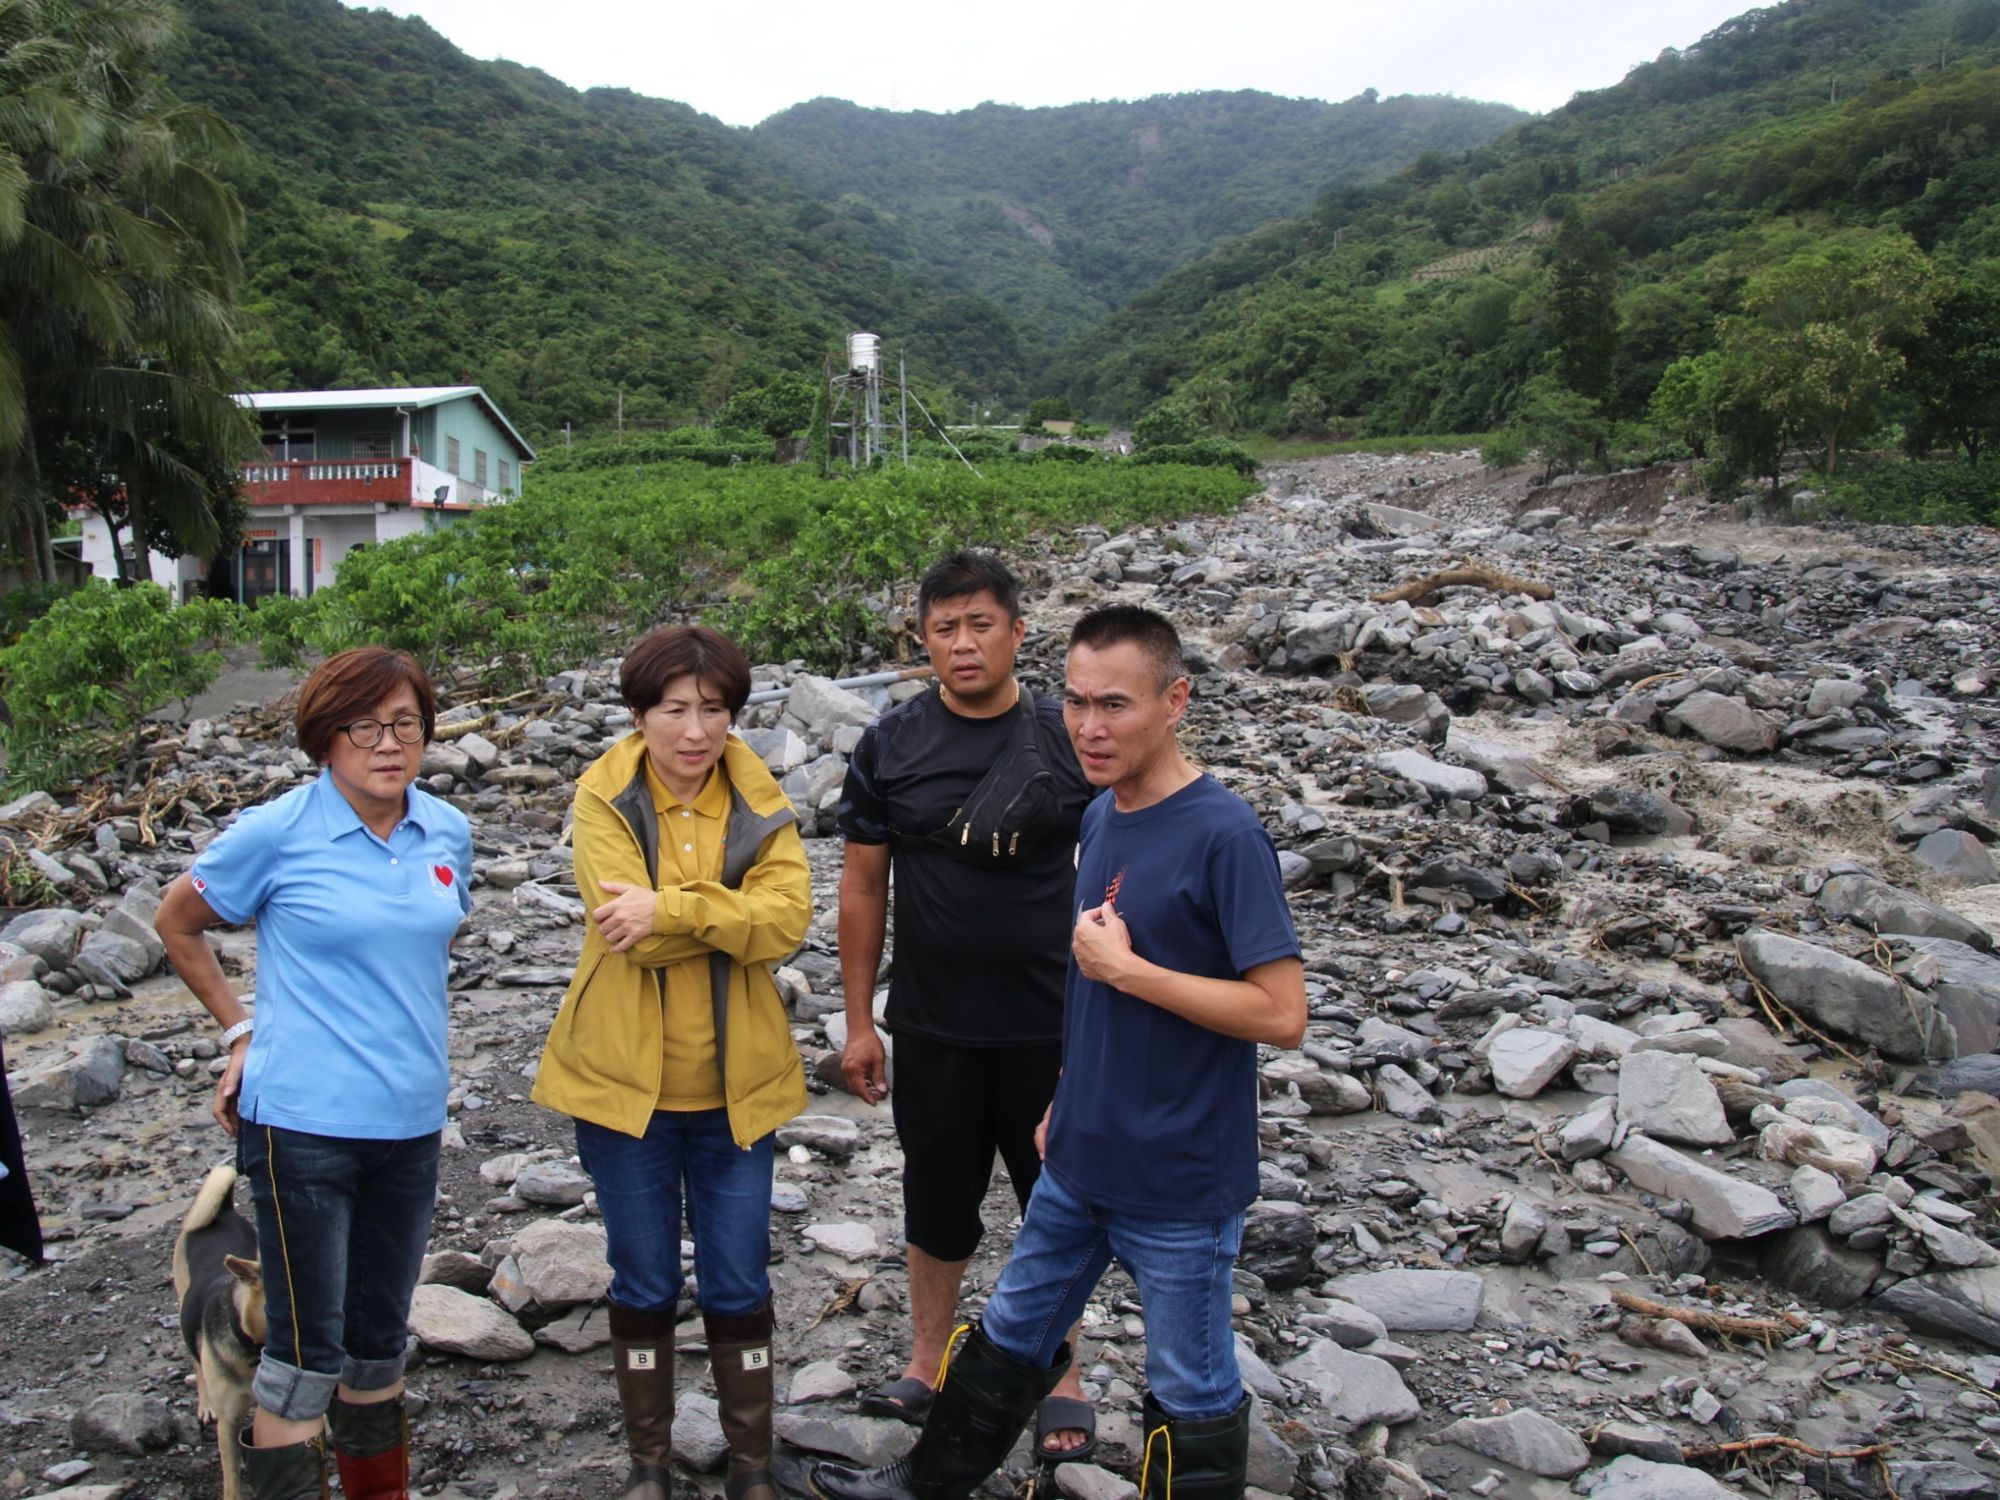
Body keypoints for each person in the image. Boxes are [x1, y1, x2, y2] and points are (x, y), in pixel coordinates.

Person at [812, 605, 1307, 1500]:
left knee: (1192, 1391)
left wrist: (1132, 972)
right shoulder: (1105, 815)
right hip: (1080, 1156)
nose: (1088, 727)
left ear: (1176, 701)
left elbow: (1281, 1015)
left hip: (1181, 1178)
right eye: (1076, 702)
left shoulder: (1224, 833)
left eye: (1115, 705)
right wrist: (1067, 1092)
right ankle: (920, 1486)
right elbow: (1085, 989)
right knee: (1010, 1335)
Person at [154, 647, 473, 1500]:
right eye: (363, 726)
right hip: (302, 1128)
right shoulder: (277, 832)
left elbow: (423, 951)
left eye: (405, 723)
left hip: (409, 1122)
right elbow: (178, 923)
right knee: (302, 1349)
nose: (387, 743)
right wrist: (241, 1031)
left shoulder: (445, 830)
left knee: (378, 1337)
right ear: (324, 739)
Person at [531, 625, 811, 1500]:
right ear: (640, 713)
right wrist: (722, 914)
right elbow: (629, 939)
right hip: (626, 1095)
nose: (697, 732)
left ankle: (752, 1468)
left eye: (716, 710)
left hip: (737, 1093)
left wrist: (672, 908)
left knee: (738, 1280)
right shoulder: (602, 799)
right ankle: (649, 1465)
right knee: (643, 1278)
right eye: (676, 710)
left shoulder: (758, 797)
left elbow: (790, 921)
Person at [833, 551, 1096, 1459]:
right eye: (944, 628)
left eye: (981, 624)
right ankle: (928, 1357)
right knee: (935, 1195)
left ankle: (1058, 1368)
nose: (963, 643)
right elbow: (864, 887)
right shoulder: (890, 743)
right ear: (924, 641)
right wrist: (860, 1021)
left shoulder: (1069, 737)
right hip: (934, 1020)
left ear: (1018, 633)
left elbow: (1131, 853)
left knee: (1053, 1200)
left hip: (1052, 1021)